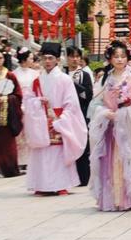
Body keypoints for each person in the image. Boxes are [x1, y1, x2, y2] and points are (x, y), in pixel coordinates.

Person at [88, 41, 131, 211]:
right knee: (110, 161)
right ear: (110, 58)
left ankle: (130, 199)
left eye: (123, 56)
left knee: (129, 160)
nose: (120, 59)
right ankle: (113, 199)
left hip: (128, 128)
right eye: (116, 56)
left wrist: (127, 111)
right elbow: (94, 104)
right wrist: (104, 113)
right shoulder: (104, 80)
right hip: (110, 127)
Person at [24, 43, 87, 195]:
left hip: (58, 119)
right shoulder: (36, 80)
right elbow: (28, 99)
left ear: (58, 60)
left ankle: (61, 184)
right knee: (42, 152)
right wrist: (37, 102)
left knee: (58, 154)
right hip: (41, 119)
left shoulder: (64, 79)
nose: (47, 61)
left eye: (50, 58)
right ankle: (41, 184)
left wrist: (61, 118)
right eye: (44, 58)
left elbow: (71, 103)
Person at [0, 46, 23, 178]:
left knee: (8, 143)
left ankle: (10, 169)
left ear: (4, 59)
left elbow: (18, 95)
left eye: (0, 58)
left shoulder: (10, 75)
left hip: (7, 115)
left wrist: (5, 99)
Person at [65, 47, 93, 186]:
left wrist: (74, 85)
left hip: (81, 113)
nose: (75, 59)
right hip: (64, 115)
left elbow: (88, 95)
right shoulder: (62, 73)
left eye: (77, 56)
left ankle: (83, 177)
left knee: (82, 144)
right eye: (72, 56)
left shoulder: (84, 75)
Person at [12, 47, 38, 172]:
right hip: (19, 104)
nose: (32, 60)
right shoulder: (14, 74)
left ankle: (30, 160)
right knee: (20, 134)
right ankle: (20, 160)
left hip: (32, 104)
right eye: (31, 58)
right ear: (24, 59)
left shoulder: (35, 73)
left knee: (31, 131)